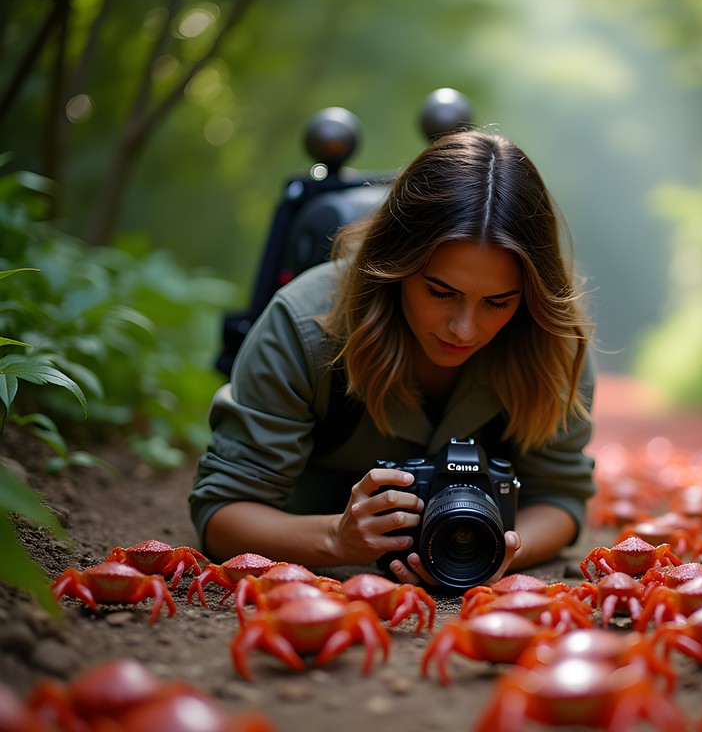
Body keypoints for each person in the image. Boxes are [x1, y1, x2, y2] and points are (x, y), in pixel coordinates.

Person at [189, 128, 596, 588]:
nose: (464, 328)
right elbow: (221, 514)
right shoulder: (305, 325)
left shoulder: (552, 339)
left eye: (498, 302)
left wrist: (498, 550)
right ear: (394, 267)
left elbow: (560, 498)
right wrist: (335, 539)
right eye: (441, 292)